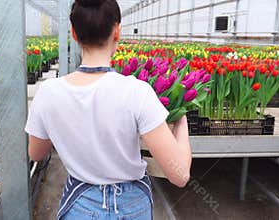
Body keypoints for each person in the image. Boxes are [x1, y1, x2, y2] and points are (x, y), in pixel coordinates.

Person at [25, 0, 192, 219]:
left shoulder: (48, 93)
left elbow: (36, 153)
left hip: (80, 204)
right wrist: (181, 122)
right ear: (117, 32)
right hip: (134, 207)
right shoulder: (137, 92)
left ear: (73, 33)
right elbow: (179, 176)